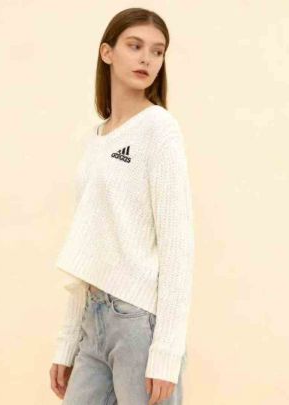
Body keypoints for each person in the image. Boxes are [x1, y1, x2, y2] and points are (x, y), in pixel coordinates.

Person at [48, 7, 195, 405]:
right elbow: (86, 245)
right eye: (135, 46)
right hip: (92, 319)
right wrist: (68, 342)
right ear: (107, 52)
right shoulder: (96, 139)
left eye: (157, 51)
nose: (147, 58)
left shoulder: (159, 129)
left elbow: (177, 247)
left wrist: (167, 352)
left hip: (137, 323)